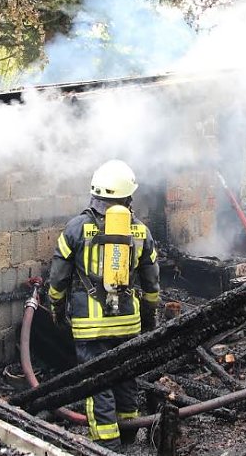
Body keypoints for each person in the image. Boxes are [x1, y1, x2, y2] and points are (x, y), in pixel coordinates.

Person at [47, 159, 160, 451]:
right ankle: (128, 434)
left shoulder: (76, 228)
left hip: (90, 324)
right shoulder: (141, 232)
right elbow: (151, 283)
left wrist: (56, 310)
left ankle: (106, 444)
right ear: (128, 197)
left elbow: (58, 278)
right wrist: (148, 318)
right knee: (126, 375)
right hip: (127, 322)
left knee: (97, 382)